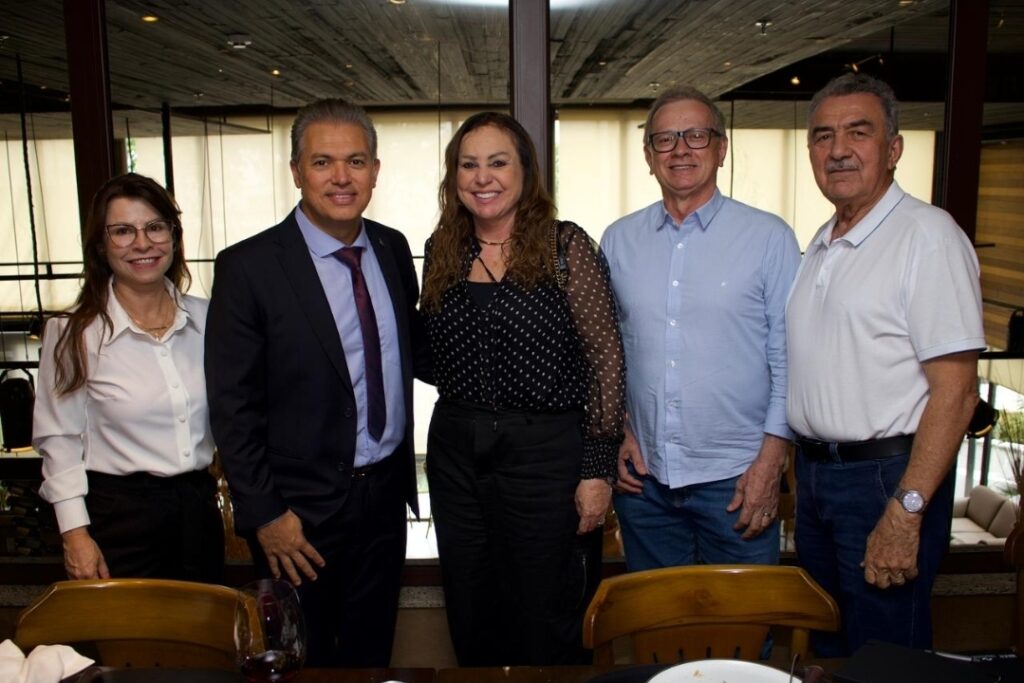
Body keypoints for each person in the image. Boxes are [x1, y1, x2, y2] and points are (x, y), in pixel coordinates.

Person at [205, 98, 428, 667]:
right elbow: (232, 407)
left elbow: (409, 352)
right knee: (302, 661)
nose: (341, 177)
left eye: (356, 161)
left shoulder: (392, 247)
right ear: (296, 171)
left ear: (375, 171)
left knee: (371, 654)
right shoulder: (248, 267)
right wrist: (265, 514)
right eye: (323, 162)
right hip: (296, 515)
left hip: (384, 498)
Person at [787, 73, 985, 655]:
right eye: (823, 136)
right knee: (828, 648)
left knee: (885, 655)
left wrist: (906, 509)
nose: (838, 150)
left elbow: (957, 393)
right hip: (818, 478)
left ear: (894, 148)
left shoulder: (927, 237)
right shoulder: (823, 239)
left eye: (858, 132)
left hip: (884, 481)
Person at [420, 111, 625, 666]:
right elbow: (433, 350)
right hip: (457, 454)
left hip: (545, 457)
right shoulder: (442, 247)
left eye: (498, 162)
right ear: (454, 176)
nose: (482, 177)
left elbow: (605, 358)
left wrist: (597, 468)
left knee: (545, 612)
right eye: (468, 165)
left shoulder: (564, 245)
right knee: (470, 606)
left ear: (525, 171)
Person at [600, 85, 801, 571]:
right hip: (644, 484)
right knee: (656, 616)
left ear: (721, 148)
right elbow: (607, 353)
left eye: (696, 135)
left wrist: (771, 463)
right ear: (648, 156)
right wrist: (620, 431)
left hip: (737, 480)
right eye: (665, 139)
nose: (681, 150)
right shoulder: (618, 240)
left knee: (746, 616)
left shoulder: (769, 238)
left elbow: (790, 360)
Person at [33, 173, 223, 583]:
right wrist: (75, 535)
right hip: (117, 521)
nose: (142, 243)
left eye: (155, 227)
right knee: (129, 627)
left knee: (202, 625)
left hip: (198, 512)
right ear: (101, 246)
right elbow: (59, 440)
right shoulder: (72, 332)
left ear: (174, 236)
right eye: (122, 231)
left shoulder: (210, 319)